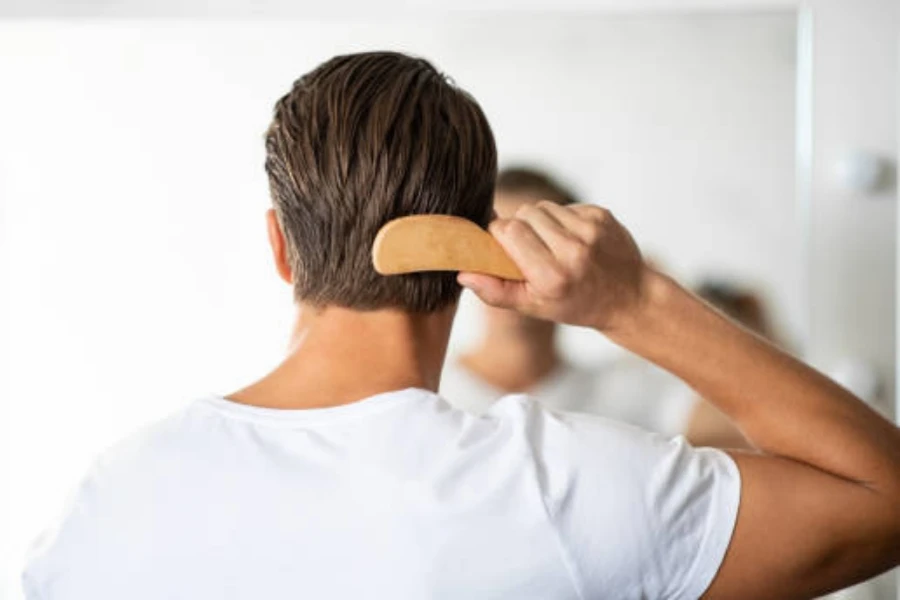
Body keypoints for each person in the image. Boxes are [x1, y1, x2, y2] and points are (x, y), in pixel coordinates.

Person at [23, 51, 900, 599]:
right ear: (472, 251)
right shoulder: (563, 488)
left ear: (280, 248)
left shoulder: (115, 498)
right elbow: (884, 498)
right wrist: (635, 301)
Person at [441, 168, 731, 444]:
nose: (510, 266)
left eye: (536, 244)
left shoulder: (629, 392)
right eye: (493, 246)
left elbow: (757, 428)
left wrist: (658, 303)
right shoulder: (428, 394)